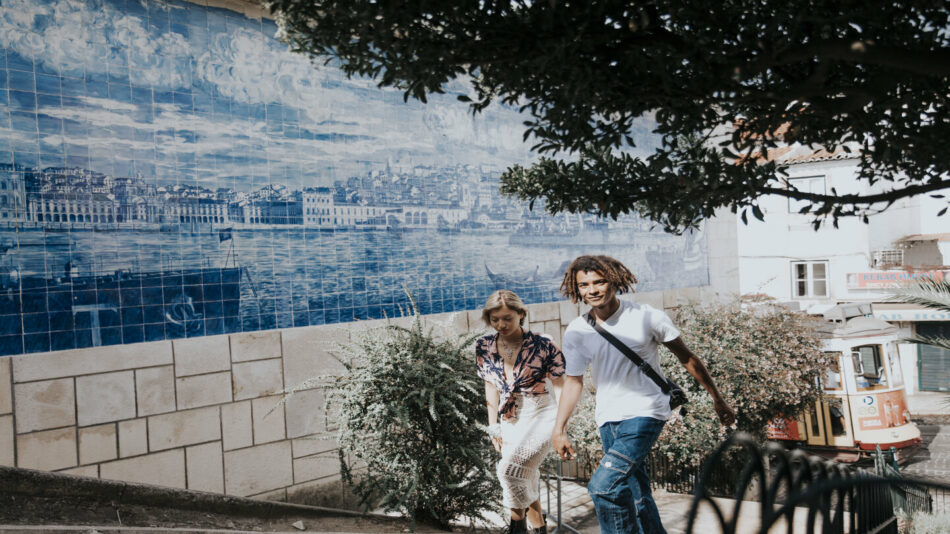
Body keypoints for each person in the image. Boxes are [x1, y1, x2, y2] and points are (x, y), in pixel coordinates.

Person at [551, 255, 736, 534]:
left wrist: (717, 399)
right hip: (608, 418)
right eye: (584, 285)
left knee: (603, 486)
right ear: (577, 289)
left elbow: (688, 358)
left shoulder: (646, 316)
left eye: (599, 282)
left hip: (646, 412)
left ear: (614, 280)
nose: (593, 290)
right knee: (637, 495)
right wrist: (559, 428)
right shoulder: (577, 330)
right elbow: (573, 382)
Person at [476, 290, 565, 534]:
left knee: (509, 471)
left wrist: (561, 427)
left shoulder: (543, 343)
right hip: (509, 419)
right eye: (495, 319)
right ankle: (539, 528)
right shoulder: (484, 345)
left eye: (507, 318)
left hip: (543, 414)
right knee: (526, 476)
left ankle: (516, 528)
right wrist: (492, 426)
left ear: (521, 314)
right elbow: (490, 386)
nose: (501, 324)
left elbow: (560, 385)